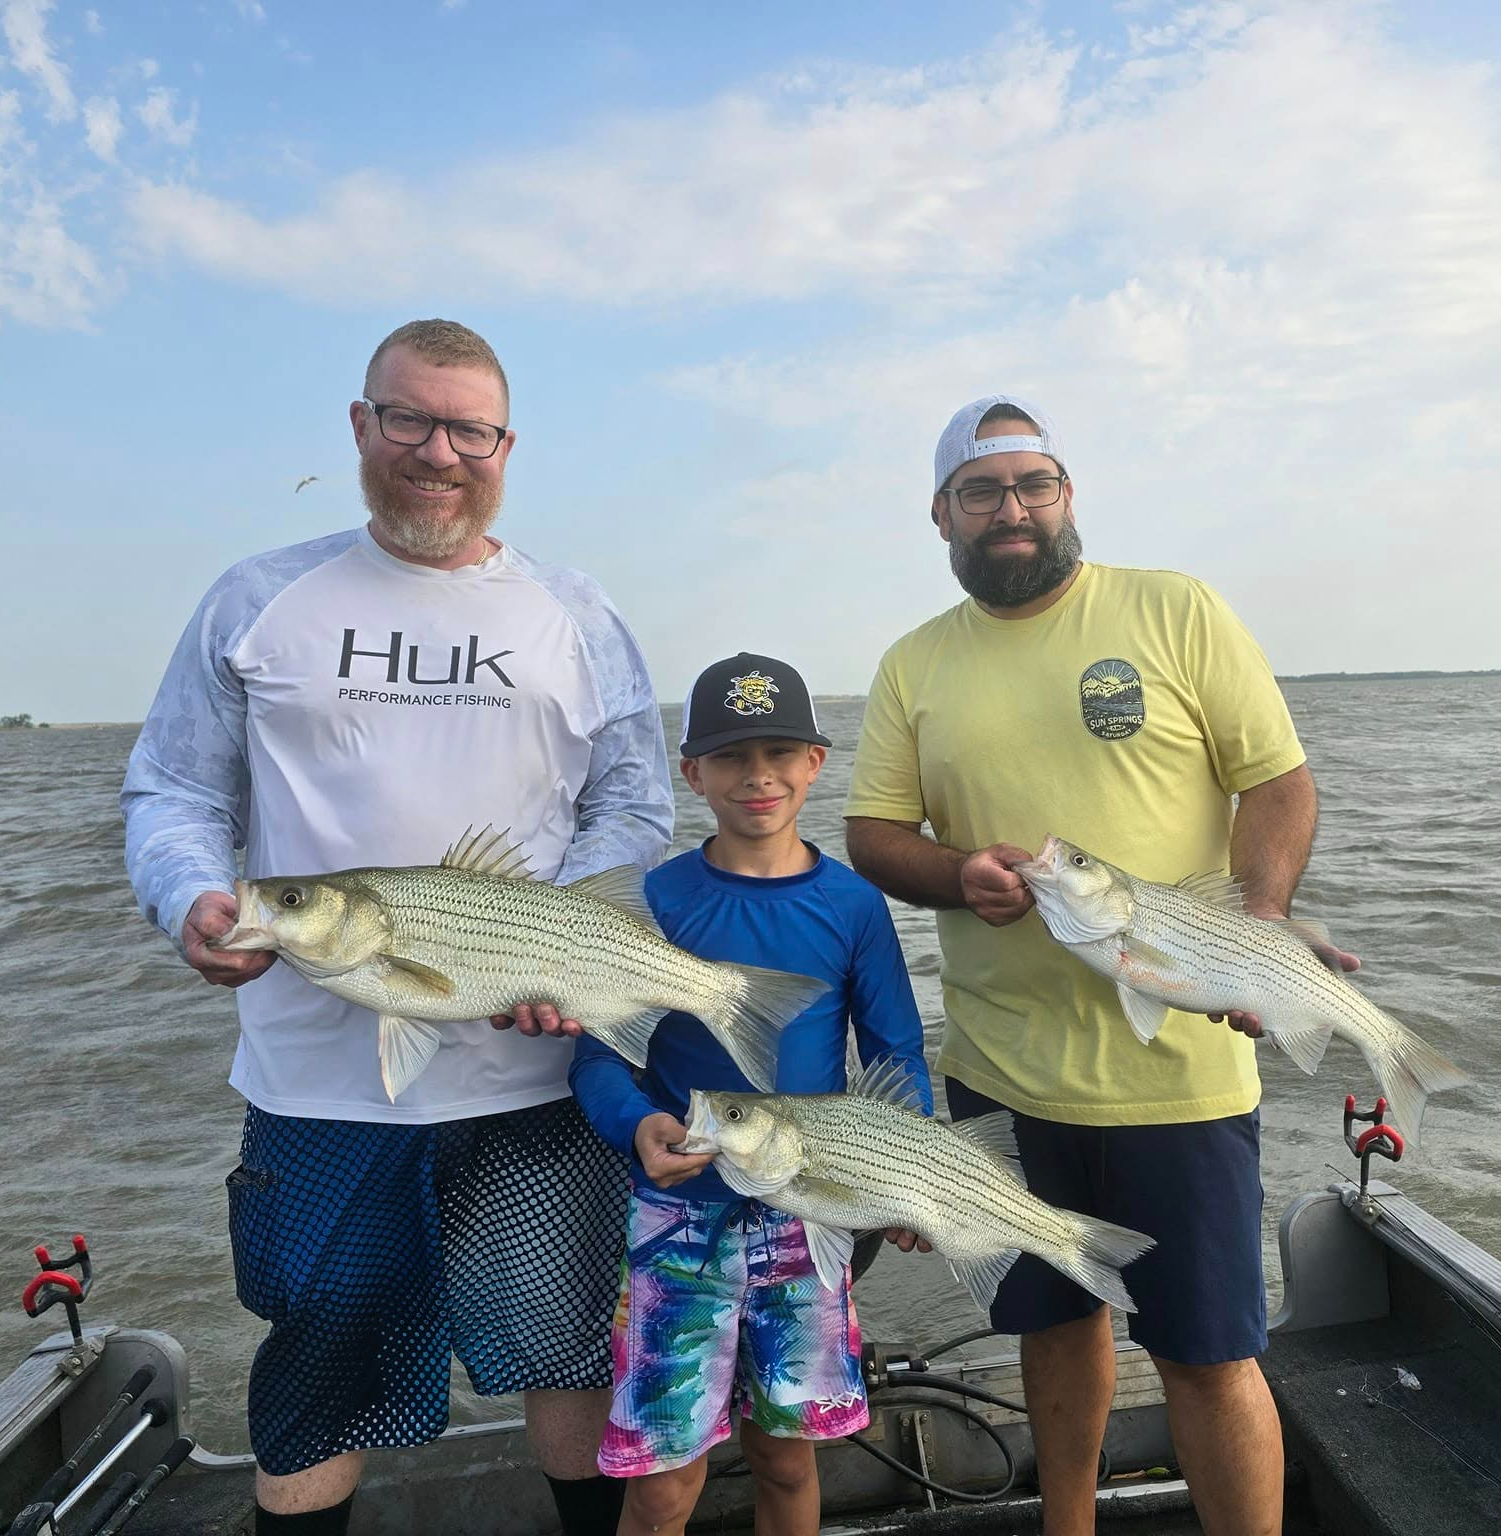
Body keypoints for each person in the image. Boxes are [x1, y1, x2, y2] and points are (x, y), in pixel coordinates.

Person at [121, 319, 673, 1536]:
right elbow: (173, 790)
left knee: (570, 1349)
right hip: (315, 1086)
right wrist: (187, 899)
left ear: (506, 444)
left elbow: (634, 802)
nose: (438, 452)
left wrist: (567, 951)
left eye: (467, 428)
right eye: (409, 420)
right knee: (320, 1376)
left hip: (535, 1077)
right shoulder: (259, 599)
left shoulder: (574, 611)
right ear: (361, 428)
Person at [843, 396, 1354, 1536]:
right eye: (983, 492)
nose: (1012, 510)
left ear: (1068, 495)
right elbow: (873, 834)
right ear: (941, 514)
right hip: (1003, 1075)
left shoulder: (1176, 610)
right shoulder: (912, 662)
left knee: (1212, 1354)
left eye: (1035, 485)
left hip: (1180, 1070)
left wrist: (1259, 928)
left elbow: (1277, 782)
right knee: (1054, 1329)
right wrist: (952, 872)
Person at [569, 652, 934, 1536]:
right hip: (676, 1220)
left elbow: (897, 1052)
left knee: (785, 1457)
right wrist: (639, 1123)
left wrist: (911, 1178)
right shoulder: (654, 899)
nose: (757, 776)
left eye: (778, 752)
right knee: (661, 1482)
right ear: (692, 773)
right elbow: (596, 1059)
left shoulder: (853, 905)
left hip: (807, 1222)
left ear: (815, 761)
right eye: (731, 757)